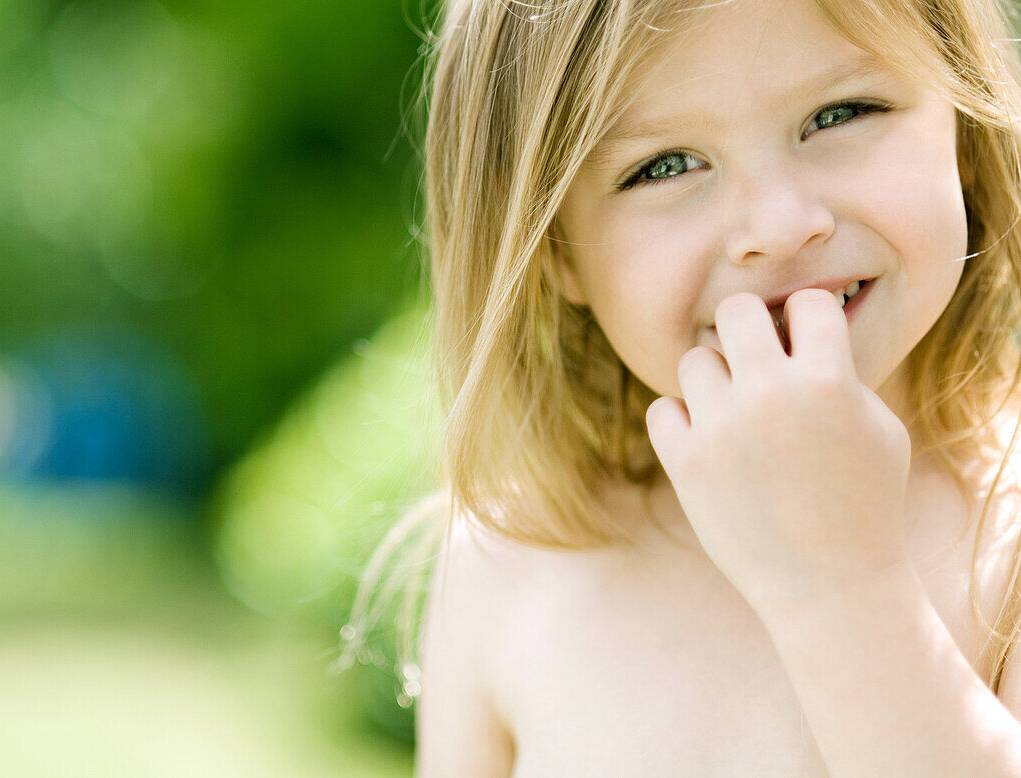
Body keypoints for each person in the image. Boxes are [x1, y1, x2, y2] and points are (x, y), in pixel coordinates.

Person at [343, 0, 1021, 773]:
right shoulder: (512, 563)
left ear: (964, 125)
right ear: (552, 252)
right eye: (663, 166)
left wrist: (845, 586)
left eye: (842, 112)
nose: (777, 225)